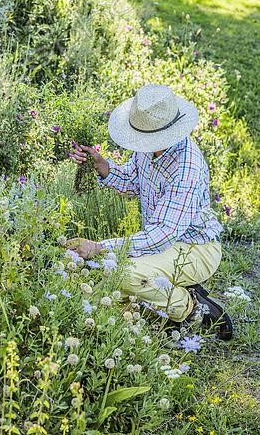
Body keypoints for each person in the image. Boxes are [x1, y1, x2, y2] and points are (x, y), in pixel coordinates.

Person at [67, 84, 233, 340]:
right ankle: (124, 330)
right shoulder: (149, 147)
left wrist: (100, 248)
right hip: (166, 239)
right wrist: (103, 166)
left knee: (126, 273)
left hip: (195, 247)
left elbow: (161, 235)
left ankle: (193, 309)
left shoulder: (186, 169)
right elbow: (133, 182)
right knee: (105, 293)